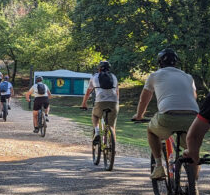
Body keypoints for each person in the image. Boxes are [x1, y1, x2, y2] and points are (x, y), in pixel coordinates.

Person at [132, 48, 199, 179]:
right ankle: (193, 187)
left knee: (151, 130)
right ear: (176, 63)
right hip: (193, 117)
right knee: (193, 152)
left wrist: (139, 116)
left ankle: (158, 166)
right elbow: (194, 97)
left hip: (168, 115)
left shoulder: (155, 75)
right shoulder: (188, 76)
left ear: (159, 63)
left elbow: (144, 99)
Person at [81, 60, 119, 144]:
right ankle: (113, 149)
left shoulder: (94, 77)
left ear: (99, 69)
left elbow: (88, 92)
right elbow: (117, 92)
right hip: (114, 102)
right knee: (112, 126)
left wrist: (84, 103)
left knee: (95, 115)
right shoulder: (113, 77)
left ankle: (97, 131)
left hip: (100, 101)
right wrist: (117, 103)